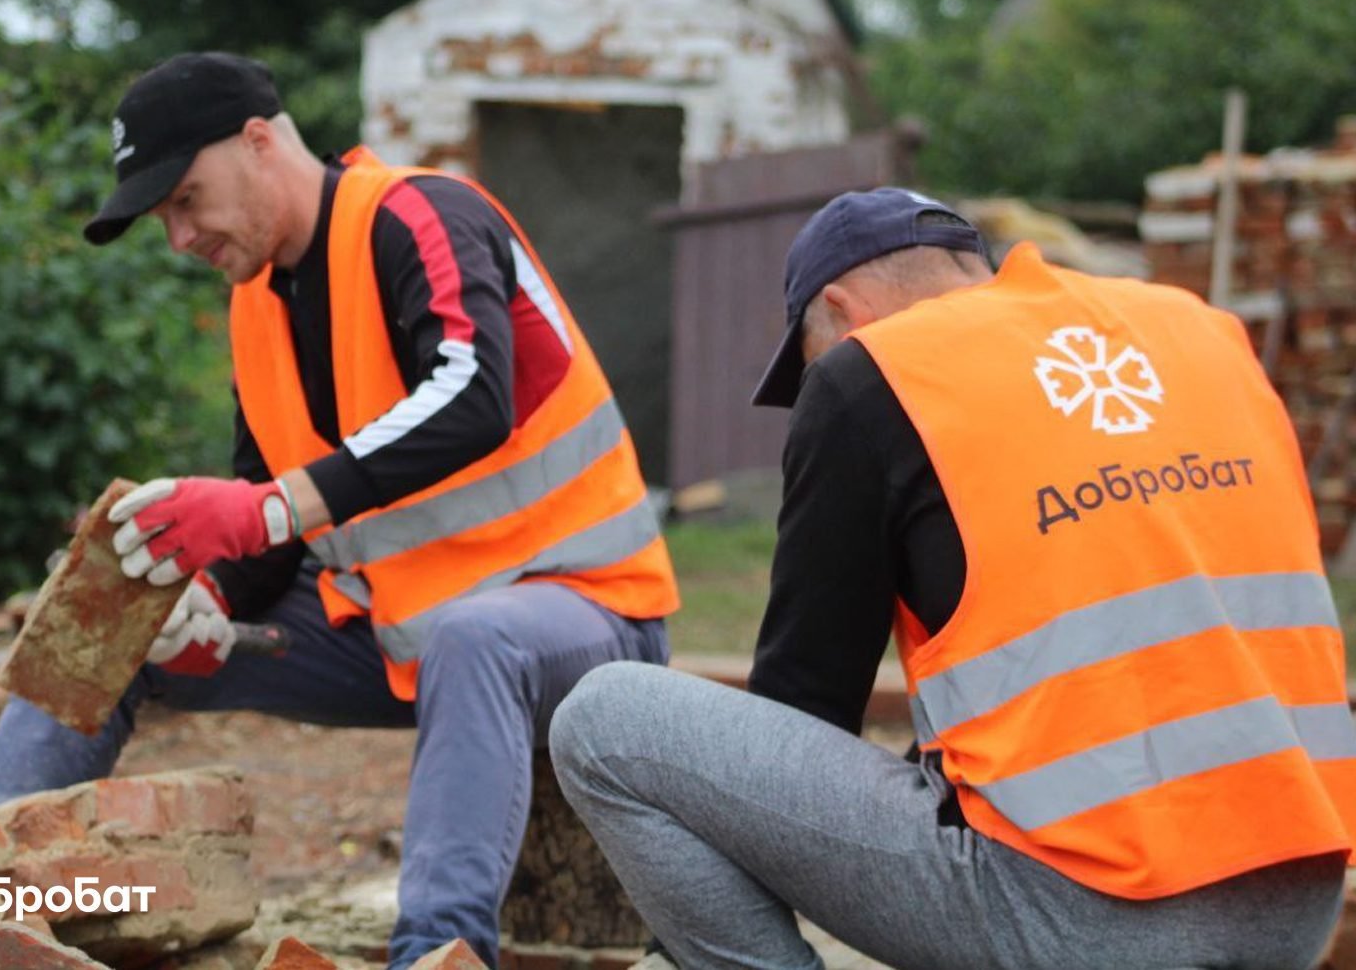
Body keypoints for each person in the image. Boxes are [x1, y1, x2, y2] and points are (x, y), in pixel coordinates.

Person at [0, 52, 679, 968]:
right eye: (161, 216)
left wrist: (263, 511)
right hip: (391, 629)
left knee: (473, 638)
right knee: (116, 618)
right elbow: (265, 540)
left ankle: (437, 955)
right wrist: (205, 604)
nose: (178, 236)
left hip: (587, 619)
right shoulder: (256, 304)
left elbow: (472, 393)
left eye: (186, 198)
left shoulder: (421, 214)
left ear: (259, 142)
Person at [549, 188, 1356, 970]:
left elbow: (805, 702)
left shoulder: (871, 375)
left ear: (839, 310)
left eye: (807, 365)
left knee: (605, 720)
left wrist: (691, 926)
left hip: (1093, 921)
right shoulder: (1198, 333)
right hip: (1298, 903)